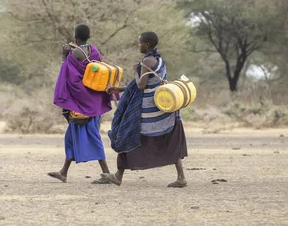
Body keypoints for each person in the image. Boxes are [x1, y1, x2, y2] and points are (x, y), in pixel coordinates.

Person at [102, 31, 188, 187]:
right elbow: (145, 83)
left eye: (140, 42)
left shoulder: (147, 61)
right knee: (167, 140)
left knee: (126, 132)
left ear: (147, 44)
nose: (138, 45)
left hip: (148, 110)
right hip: (162, 109)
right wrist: (119, 89)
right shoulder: (157, 59)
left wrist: (136, 71)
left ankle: (118, 175)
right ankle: (181, 177)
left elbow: (141, 85)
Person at [48, 24, 115, 184]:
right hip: (93, 99)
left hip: (81, 103)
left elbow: (68, 76)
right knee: (71, 137)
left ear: (75, 37)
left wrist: (64, 57)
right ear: (89, 36)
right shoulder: (95, 51)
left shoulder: (75, 53)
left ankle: (106, 173)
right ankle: (63, 172)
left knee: (93, 136)